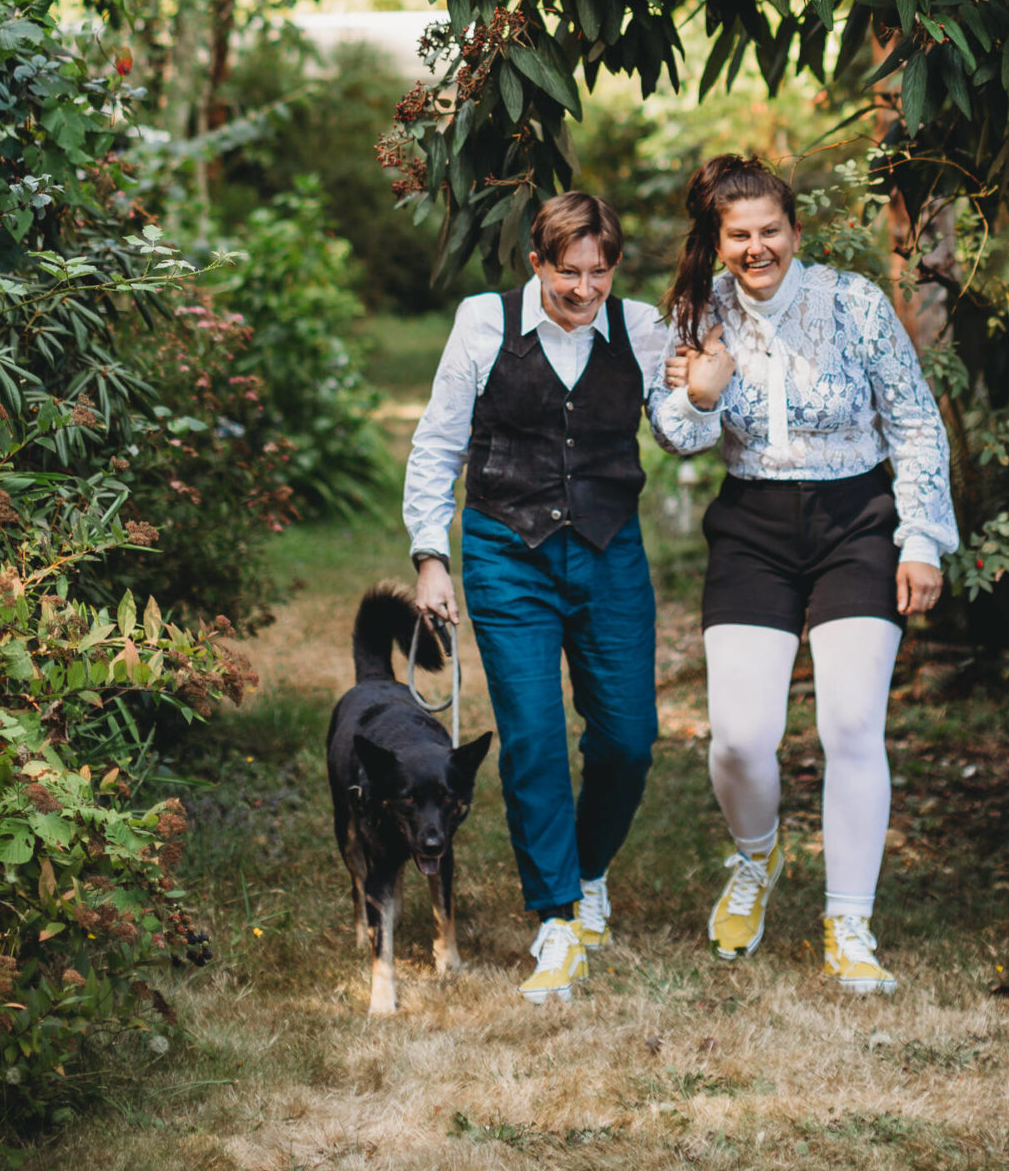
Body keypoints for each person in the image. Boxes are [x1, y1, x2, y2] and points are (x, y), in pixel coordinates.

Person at [648, 154, 957, 994]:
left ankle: (848, 924)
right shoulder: (697, 312)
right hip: (751, 527)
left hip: (857, 522)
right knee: (739, 742)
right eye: (738, 235)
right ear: (718, 241)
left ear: (794, 230)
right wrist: (702, 395)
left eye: (769, 231)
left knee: (851, 726)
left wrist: (922, 537)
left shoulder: (852, 302)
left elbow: (916, 422)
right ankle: (757, 857)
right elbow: (676, 439)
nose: (756, 248)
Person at [404, 190, 667, 1004]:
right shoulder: (484, 322)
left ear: (613, 267)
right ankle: (556, 916)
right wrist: (429, 555)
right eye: (566, 274)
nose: (583, 290)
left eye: (598, 273)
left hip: (608, 547)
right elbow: (439, 440)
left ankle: (586, 868)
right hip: (504, 548)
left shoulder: (642, 328)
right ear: (536, 264)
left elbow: (684, 431)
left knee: (628, 739)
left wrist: (704, 390)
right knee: (533, 739)